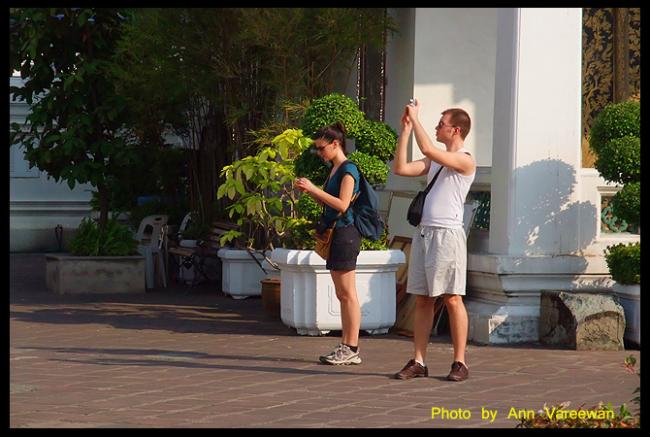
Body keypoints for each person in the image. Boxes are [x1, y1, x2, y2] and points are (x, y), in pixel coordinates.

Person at [391, 100, 476, 381]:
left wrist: (416, 118)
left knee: (452, 298)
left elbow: (428, 148)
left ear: (456, 130)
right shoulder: (435, 163)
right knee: (423, 299)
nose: (437, 128)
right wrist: (405, 129)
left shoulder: (465, 159)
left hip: (447, 235)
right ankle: (419, 360)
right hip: (425, 233)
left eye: (441, 124)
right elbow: (400, 168)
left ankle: (460, 362)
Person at [294, 122, 363, 365]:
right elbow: (331, 202)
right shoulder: (335, 169)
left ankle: (351, 346)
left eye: (322, 148)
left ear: (336, 144)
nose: (319, 153)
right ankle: (346, 345)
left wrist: (314, 189)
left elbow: (343, 204)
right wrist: (311, 192)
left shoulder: (348, 170)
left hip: (345, 233)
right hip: (337, 233)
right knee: (342, 293)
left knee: (347, 294)